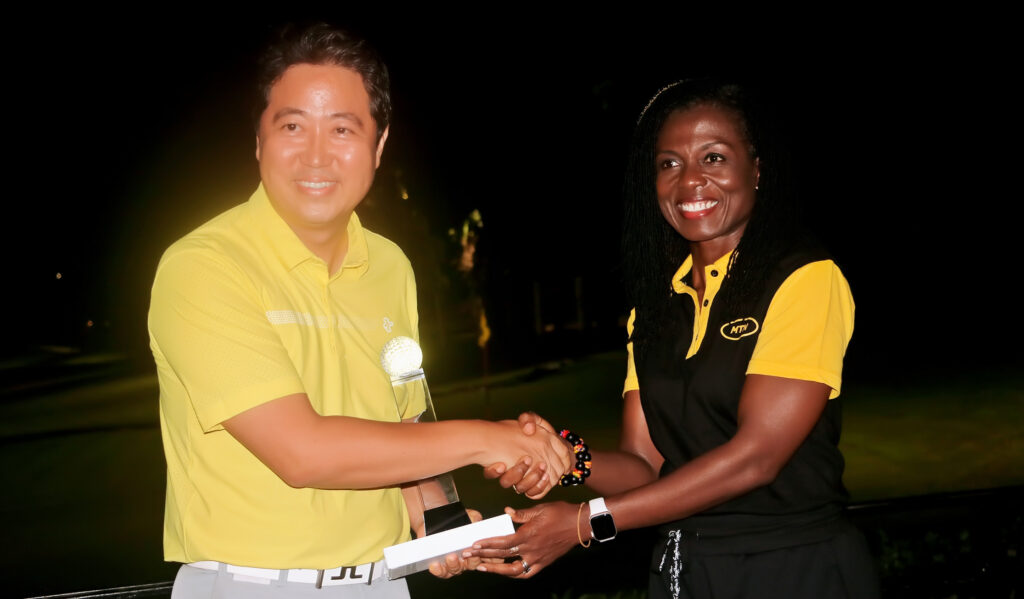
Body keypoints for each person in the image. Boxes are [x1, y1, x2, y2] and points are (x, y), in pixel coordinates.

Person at [148, 23, 570, 598]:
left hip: (382, 583)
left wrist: (438, 516)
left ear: (379, 144)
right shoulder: (203, 266)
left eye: (342, 129)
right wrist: (486, 439)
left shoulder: (390, 266)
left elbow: (405, 422)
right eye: (292, 126)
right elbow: (301, 452)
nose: (316, 155)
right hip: (251, 585)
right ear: (258, 139)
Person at [467, 78, 880, 598]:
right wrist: (566, 457)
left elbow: (757, 457)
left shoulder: (804, 279)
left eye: (714, 158)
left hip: (792, 566)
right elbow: (646, 466)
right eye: (669, 163)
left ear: (757, 169)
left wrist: (584, 523)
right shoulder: (654, 309)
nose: (690, 181)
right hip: (685, 568)